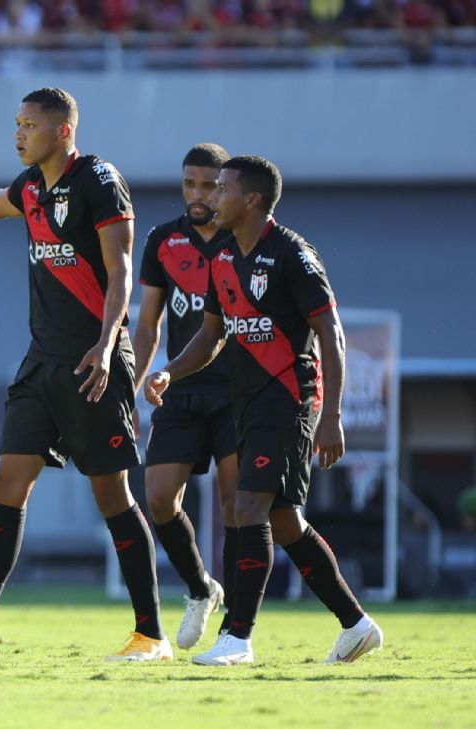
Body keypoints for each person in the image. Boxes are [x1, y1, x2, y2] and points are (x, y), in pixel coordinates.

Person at [0, 87, 169, 662]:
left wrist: (105, 345)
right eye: (17, 123)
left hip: (91, 360)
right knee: (6, 479)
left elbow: (121, 269)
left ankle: (151, 635)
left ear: (64, 131)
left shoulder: (99, 180)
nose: (19, 133)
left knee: (111, 494)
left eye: (29, 124)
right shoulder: (30, 188)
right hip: (41, 361)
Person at [145, 155, 383, 665]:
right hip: (246, 406)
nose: (211, 197)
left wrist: (331, 415)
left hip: (290, 401)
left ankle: (237, 638)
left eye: (222, 189)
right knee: (285, 523)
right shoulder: (225, 257)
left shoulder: (293, 254)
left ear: (251, 199)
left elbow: (332, 335)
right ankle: (356, 624)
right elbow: (210, 336)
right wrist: (170, 371)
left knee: (247, 509)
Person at [132, 143, 236, 649]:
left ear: (226, 186)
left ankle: (239, 624)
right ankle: (201, 589)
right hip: (180, 384)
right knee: (158, 497)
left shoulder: (245, 239)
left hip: (238, 391)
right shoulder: (162, 240)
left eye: (210, 185)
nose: (199, 195)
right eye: (190, 184)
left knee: (237, 505)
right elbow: (148, 323)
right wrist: (134, 385)